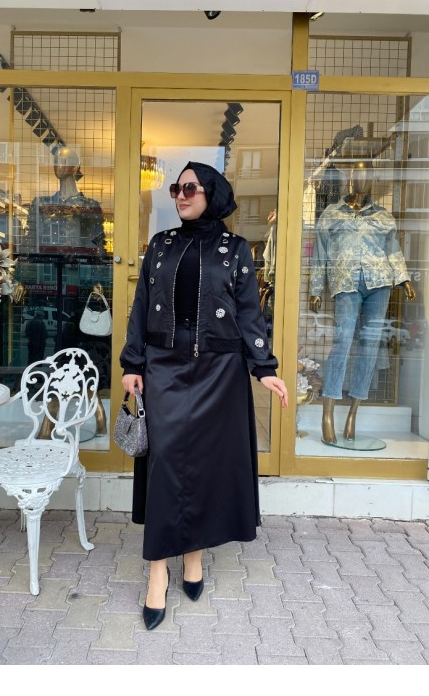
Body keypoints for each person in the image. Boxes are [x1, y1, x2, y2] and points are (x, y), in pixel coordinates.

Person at [119, 161, 288, 630]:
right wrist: (133, 363)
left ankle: (193, 555)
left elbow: (249, 312)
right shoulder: (161, 244)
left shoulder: (236, 249)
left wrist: (264, 368)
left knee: (205, 465)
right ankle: (158, 572)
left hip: (219, 371)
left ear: (212, 193)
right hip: (164, 368)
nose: (181, 194)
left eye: (191, 188)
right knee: (165, 464)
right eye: (177, 187)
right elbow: (140, 306)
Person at [309, 160, 415, 443]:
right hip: (345, 282)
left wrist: (404, 279)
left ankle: (353, 412)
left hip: (379, 283)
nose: (361, 178)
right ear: (350, 178)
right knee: (343, 340)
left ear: (373, 180)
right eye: (357, 174)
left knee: (370, 344)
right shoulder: (332, 214)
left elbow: (393, 250)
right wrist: (316, 288)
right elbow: (320, 254)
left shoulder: (383, 216)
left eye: (367, 174)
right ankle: (328, 412)